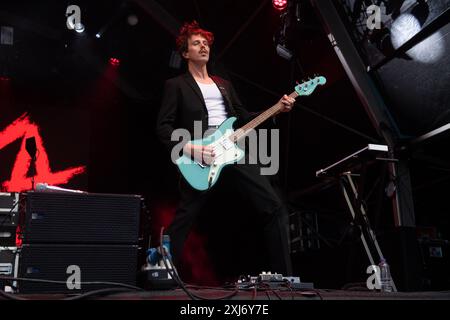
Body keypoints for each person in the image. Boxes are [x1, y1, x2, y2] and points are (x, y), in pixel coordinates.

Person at [156, 21, 295, 277]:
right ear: (185, 53)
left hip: (232, 150)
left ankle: (284, 277)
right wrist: (192, 150)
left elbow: (242, 117)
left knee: (274, 206)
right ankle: (161, 271)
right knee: (186, 216)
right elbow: (163, 128)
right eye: (196, 43)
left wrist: (277, 108)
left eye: (205, 42)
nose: (203, 46)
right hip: (201, 156)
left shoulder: (224, 84)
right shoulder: (175, 85)